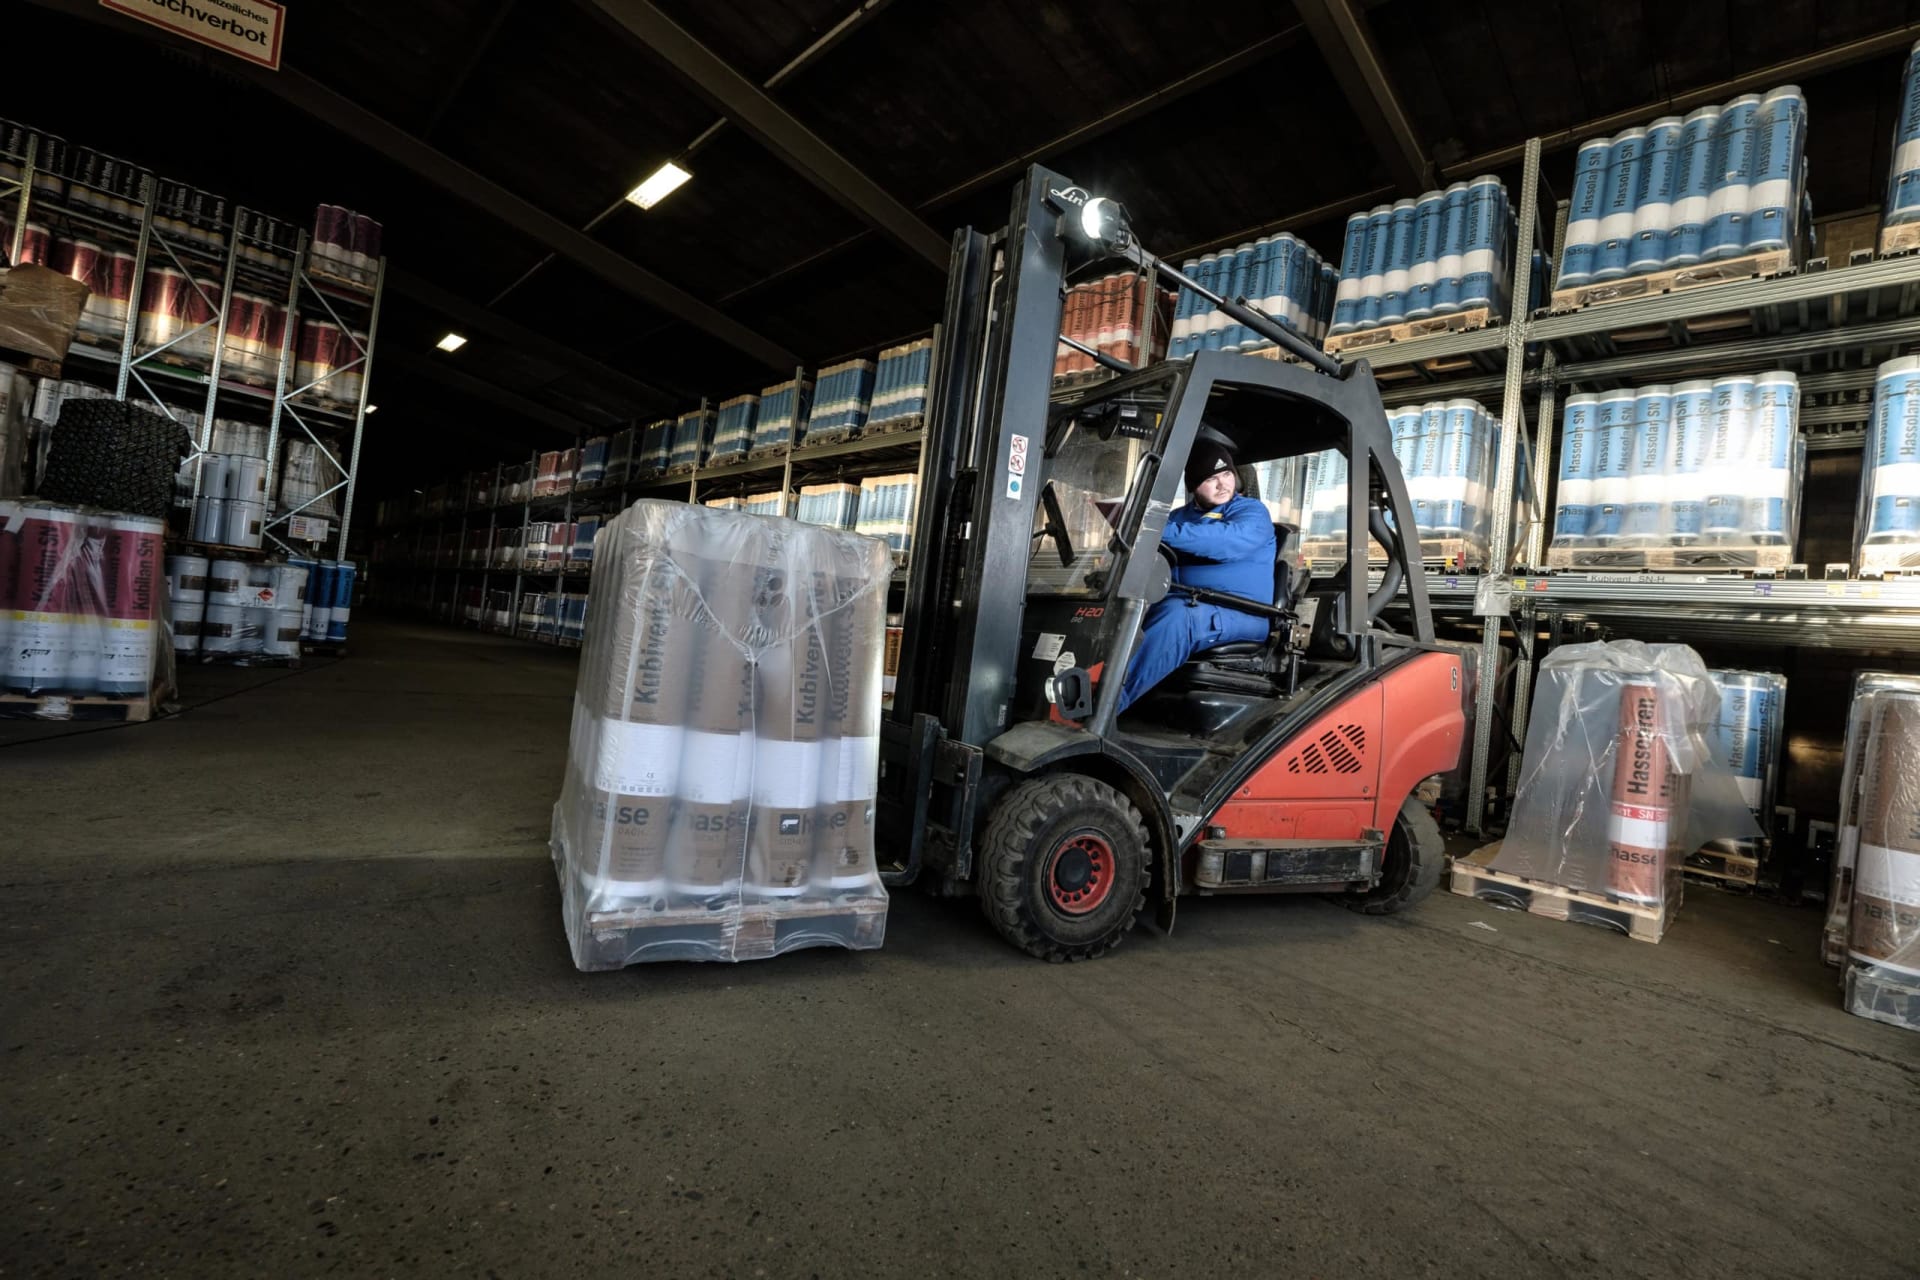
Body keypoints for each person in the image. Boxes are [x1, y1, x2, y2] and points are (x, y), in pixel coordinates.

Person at [1117, 441, 1275, 712]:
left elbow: (1224, 542)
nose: (1223, 484)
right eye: (1211, 478)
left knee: (1179, 618)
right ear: (1193, 486)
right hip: (1184, 602)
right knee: (1119, 612)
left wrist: (1153, 530)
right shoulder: (1177, 518)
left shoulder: (1251, 512)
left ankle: (1107, 708)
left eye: (1227, 474)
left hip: (1243, 612)